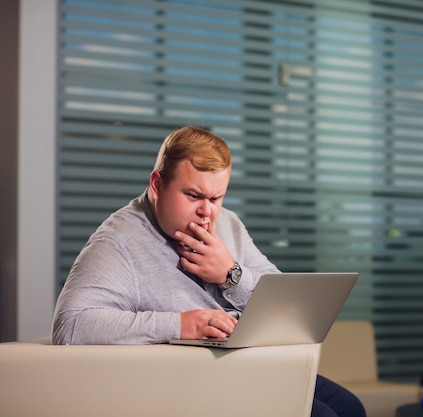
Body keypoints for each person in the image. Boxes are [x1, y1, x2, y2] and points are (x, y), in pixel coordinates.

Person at [52, 125, 366, 417]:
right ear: (158, 185)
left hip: (254, 365)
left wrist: (231, 274)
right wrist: (180, 325)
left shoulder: (227, 223)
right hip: (193, 380)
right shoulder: (120, 242)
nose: (207, 212)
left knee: (352, 408)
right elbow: (71, 325)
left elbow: (284, 301)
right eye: (194, 196)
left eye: (216, 198)